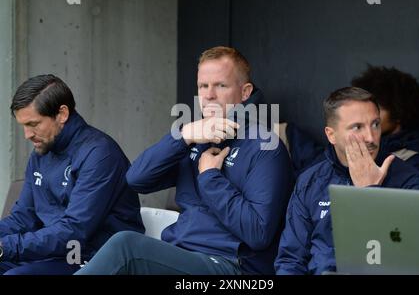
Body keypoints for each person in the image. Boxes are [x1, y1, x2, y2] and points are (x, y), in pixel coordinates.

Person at [76, 46, 294, 275]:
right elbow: (136, 179)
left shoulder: (265, 146)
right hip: (181, 253)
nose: (209, 95)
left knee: (126, 247)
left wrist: (210, 178)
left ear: (245, 91)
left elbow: (258, 233)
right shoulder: (194, 137)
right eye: (203, 86)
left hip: (233, 266)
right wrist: (184, 135)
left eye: (221, 85)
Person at [275, 87, 419, 275]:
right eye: (357, 127)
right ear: (331, 135)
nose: (371, 137)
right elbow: (291, 259)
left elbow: (404, 258)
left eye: (375, 124)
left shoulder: (408, 180)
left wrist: (369, 193)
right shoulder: (311, 181)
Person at [0, 75, 144, 275]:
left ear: (62, 114)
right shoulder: (41, 152)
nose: (27, 135)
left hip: (92, 257)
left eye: (33, 124)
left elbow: (74, 231)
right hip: (54, 254)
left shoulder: (100, 154)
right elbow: (23, 217)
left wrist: (6, 247)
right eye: (23, 126)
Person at [351, 65, 419, 184]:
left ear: (398, 112)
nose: (366, 115)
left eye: (377, 108)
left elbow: (400, 201)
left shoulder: (415, 160)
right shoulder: (358, 144)